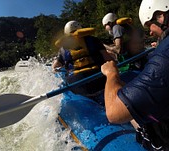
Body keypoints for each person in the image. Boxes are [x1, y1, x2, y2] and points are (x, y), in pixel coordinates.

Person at [101, 0, 169, 150]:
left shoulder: (117, 28)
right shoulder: (131, 28)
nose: (150, 32)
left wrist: (111, 72)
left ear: (161, 17)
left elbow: (118, 50)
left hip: (130, 67)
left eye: (149, 25)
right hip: (144, 63)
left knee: (119, 95)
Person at [52, 20, 113, 102]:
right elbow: (107, 58)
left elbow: (55, 67)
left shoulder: (63, 48)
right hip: (99, 77)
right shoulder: (93, 40)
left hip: (76, 83)